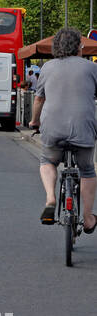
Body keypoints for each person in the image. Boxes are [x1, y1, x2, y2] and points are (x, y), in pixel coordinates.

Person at [29, 27, 97, 230]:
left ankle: (50, 198)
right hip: (83, 127)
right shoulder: (91, 68)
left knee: (47, 161)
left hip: (53, 128)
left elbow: (39, 99)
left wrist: (34, 122)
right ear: (78, 47)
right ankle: (88, 217)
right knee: (87, 170)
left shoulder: (47, 68)